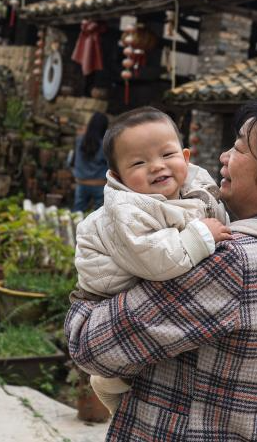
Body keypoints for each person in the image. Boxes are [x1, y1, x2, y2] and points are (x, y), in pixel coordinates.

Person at [66, 100, 257, 441]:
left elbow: (91, 347)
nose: (224, 156)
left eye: (239, 149)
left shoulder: (233, 263)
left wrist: (86, 299)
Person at [73, 106, 233, 412]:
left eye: (167, 154)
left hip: (142, 277)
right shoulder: (126, 210)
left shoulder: (195, 187)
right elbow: (158, 261)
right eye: (139, 162)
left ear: (185, 157)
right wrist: (202, 235)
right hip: (108, 291)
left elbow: (213, 212)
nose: (157, 166)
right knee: (134, 350)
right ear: (118, 176)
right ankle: (109, 382)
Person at [72, 112, 110, 212]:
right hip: (99, 184)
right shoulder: (105, 144)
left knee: (77, 213)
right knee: (99, 215)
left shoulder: (79, 140)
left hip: (81, 182)